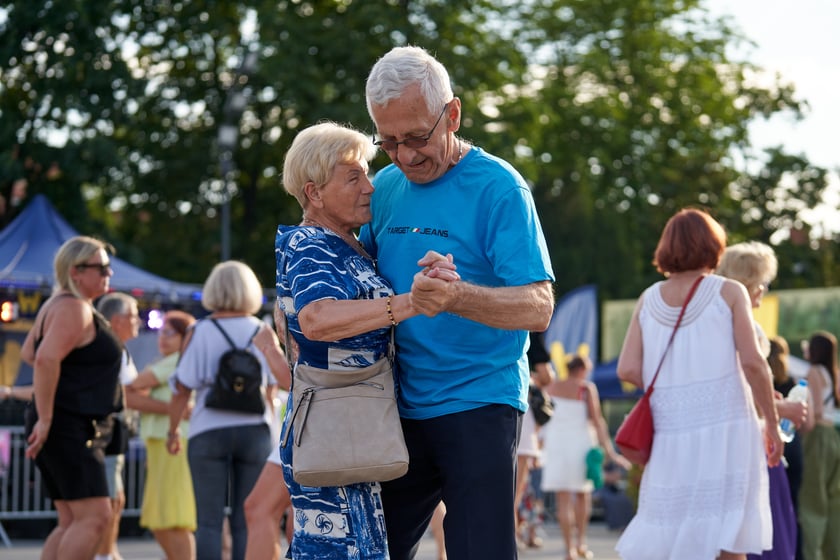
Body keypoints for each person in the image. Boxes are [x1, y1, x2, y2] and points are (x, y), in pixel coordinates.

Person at [361, 45, 555, 559]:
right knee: (372, 551)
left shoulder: (500, 188)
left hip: (479, 401)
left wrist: (455, 296)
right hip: (395, 404)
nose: (405, 156)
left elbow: (539, 306)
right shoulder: (382, 188)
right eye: (389, 142)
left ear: (453, 114)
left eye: (417, 137)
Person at [275, 121, 458, 559]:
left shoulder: (349, 246)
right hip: (334, 430)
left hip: (357, 425)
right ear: (314, 193)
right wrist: (408, 303)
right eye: (353, 177)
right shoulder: (309, 242)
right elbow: (316, 318)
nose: (370, 187)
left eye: (367, 174)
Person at [615, 208, 783, 560]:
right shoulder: (729, 292)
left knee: (672, 534)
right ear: (713, 246)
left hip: (671, 431)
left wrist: (676, 384)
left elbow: (627, 369)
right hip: (728, 429)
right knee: (727, 535)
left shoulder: (648, 298)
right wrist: (770, 421)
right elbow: (753, 363)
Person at [167, 260, 281, 560]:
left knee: (208, 522)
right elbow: (272, 388)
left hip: (208, 431)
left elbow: (182, 388)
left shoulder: (199, 331)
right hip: (255, 430)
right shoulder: (261, 329)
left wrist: (173, 430)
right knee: (248, 518)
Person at [19, 235, 123, 560]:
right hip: (69, 425)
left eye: (109, 267)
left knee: (71, 520)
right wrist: (48, 418)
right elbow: (45, 359)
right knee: (95, 518)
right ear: (75, 271)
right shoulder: (73, 308)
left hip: (64, 423)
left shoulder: (58, 304)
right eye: (101, 268)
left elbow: (28, 353)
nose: (109, 274)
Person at [717, 241, 809, 560]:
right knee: (763, 536)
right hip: (752, 441)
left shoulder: (712, 320)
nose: (764, 291)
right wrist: (783, 409)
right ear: (751, 284)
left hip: (724, 440)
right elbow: (743, 389)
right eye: (763, 283)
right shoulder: (748, 327)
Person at [541, 353, 630, 560]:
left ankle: (569, 549)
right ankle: (581, 542)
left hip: (557, 445)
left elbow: (544, 417)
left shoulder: (552, 386)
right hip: (580, 444)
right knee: (582, 496)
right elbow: (598, 421)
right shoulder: (585, 388)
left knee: (563, 500)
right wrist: (610, 452)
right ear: (581, 369)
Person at [128, 310, 197, 559]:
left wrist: (144, 398)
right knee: (161, 520)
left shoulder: (178, 360)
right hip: (162, 443)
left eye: (170, 333)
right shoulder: (173, 361)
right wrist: (171, 408)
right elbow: (131, 394)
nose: (163, 338)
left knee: (174, 518)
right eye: (161, 332)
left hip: (175, 443)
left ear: (184, 338)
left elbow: (133, 386)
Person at [94, 291, 141, 560]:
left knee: (117, 499)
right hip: (107, 431)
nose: (139, 321)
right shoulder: (111, 348)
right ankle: (103, 554)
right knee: (110, 500)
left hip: (116, 432)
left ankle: (109, 551)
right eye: (134, 315)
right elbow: (129, 393)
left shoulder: (118, 348)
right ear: (117, 319)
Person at [244, 303, 293, 560]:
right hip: (306, 421)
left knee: (264, 509)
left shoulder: (321, 272)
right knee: (262, 509)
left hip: (316, 421)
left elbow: (301, 382)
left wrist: (269, 348)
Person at [798, 331, 840, 560]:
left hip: (817, 438)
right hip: (833, 436)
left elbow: (813, 413)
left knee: (813, 502)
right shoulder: (831, 372)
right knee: (834, 500)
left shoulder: (814, 372)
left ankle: (813, 554)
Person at [767, 336, 809, 560]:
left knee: (773, 508)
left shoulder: (761, 381)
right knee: (791, 507)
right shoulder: (794, 383)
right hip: (794, 448)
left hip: (772, 446)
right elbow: (807, 422)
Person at [515, 331, 556, 549]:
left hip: (484, 404)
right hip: (520, 408)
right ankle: (509, 542)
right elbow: (546, 375)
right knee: (513, 494)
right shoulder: (529, 323)